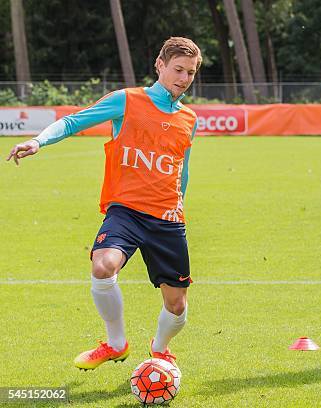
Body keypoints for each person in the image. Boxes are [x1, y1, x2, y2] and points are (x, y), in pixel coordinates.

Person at [6, 37, 202, 370]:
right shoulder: (127, 100)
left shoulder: (189, 119)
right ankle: (116, 344)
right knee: (102, 266)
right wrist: (39, 141)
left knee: (177, 306)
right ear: (160, 65)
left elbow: (182, 167)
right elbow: (72, 121)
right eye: (178, 69)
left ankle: (160, 347)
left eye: (191, 73)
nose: (183, 79)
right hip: (125, 210)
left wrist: (180, 204)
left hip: (167, 218)